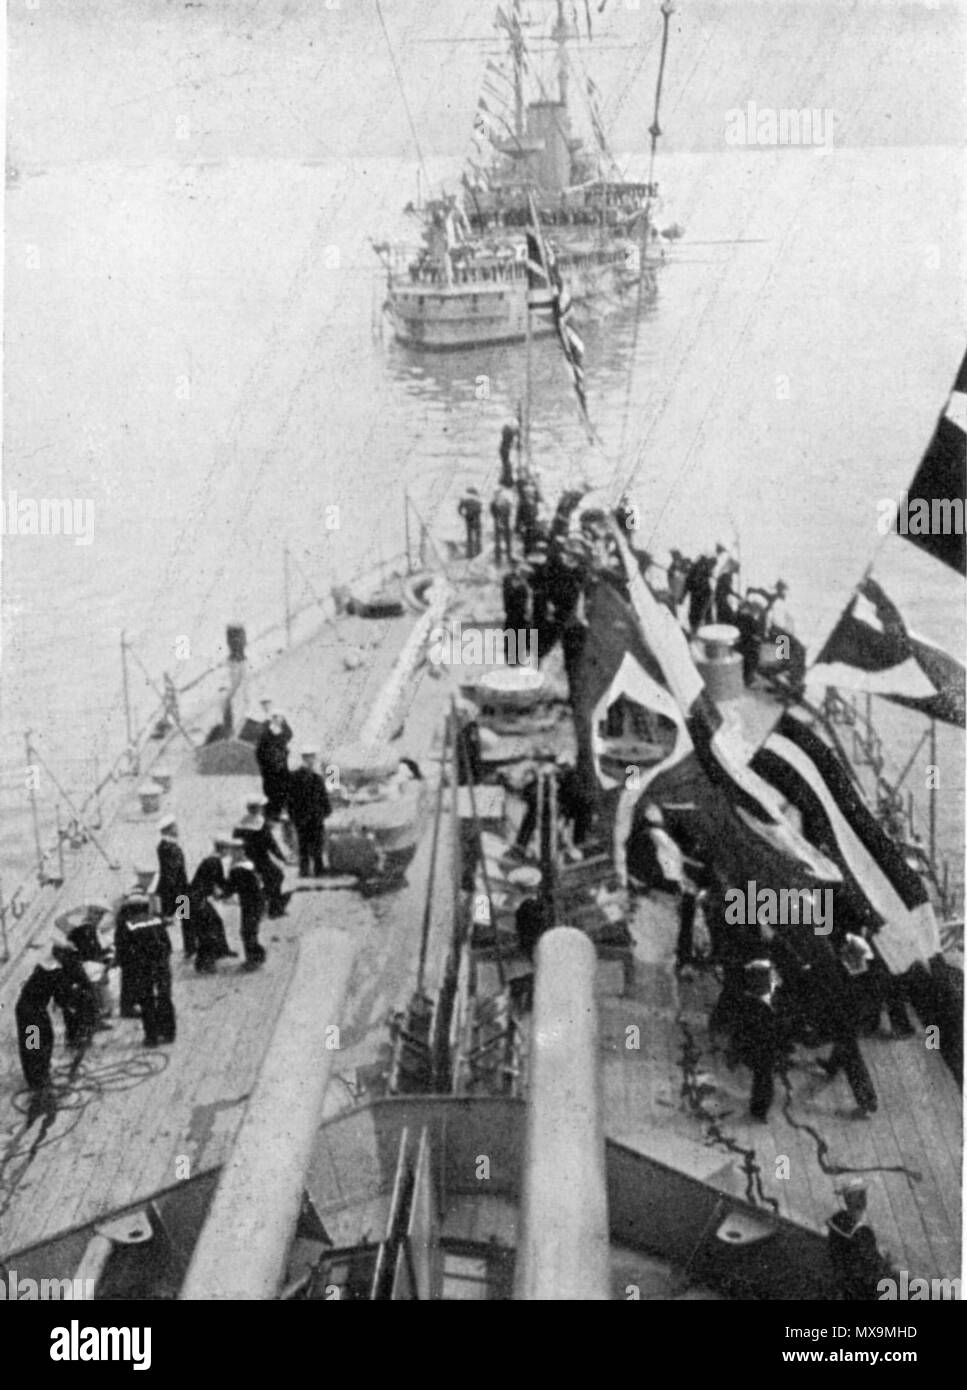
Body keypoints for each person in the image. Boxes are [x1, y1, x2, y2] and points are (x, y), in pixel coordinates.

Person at [731, 959, 790, 1122]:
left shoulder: (751, 1004)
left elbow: (741, 1029)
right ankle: (760, 1108)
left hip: (762, 1048)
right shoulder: (774, 999)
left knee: (762, 1078)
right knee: (764, 1077)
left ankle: (759, 1109)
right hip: (770, 1048)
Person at [116, 893, 176, 1047]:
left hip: (141, 968)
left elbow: (123, 950)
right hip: (161, 965)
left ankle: (152, 1037)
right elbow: (167, 945)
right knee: (164, 996)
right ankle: (168, 1032)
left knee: (147, 1001)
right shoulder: (156, 920)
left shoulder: (127, 924)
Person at [826, 1179, 894, 1299]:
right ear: (862, 1201)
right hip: (858, 1290)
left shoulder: (837, 1219)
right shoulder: (862, 1231)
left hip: (840, 1280)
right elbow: (871, 1264)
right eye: (862, 1195)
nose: (864, 1198)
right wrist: (885, 1260)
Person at [15, 952, 70, 1090]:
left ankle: (41, 1071)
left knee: (45, 1038)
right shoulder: (54, 973)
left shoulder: (45, 966)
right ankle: (36, 1080)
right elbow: (61, 998)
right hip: (30, 1014)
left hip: (35, 1009)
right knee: (33, 1046)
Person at [235, 795, 291, 917]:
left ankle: (265, 902)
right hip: (260, 859)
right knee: (277, 876)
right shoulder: (260, 823)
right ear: (259, 808)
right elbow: (271, 844)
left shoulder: (240, 823)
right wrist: (281, 857)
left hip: (244, 858)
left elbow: (235, 842)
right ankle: (271, 905)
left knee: (271, 878)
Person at [188, 840, 238, 973]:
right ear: (223, 850)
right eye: (228, 849)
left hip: (188, 898)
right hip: (196, 900)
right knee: (207, 929)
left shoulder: (210, 860)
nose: (229, 852)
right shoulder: (215, 862)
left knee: (215, 922)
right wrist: (230, 891)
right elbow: (220, 883)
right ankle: (203, 963)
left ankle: (221, 951)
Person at [288, 747, 332, 878]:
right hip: (313, 816)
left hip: (304, 817)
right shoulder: (315, 777)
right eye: (310, 757)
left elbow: (289, 800)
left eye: (312, 757)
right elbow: (323, 797)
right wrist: (327, 811)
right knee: (314, 843)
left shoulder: (295, 776)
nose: (311, 760)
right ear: (306, 758)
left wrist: (292, 815)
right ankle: (317, 870)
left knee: (306, 843)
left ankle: (305, 870)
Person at [156, 815, 193, 957]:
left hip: (173, 889)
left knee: (181, 918)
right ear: (169, 829)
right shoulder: (170, 848)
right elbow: (173, 871)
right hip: (177, 890)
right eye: (175, 827)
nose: (177, 829)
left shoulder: (165, 845)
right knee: (182, 918)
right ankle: (188, 948)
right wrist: (178, 893)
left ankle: (188, 947)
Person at [226, 840, 267, 970]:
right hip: (256, 902)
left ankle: (254, 959)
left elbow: (230, 888)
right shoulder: (249, 864)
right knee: (250, 930)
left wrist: (219, 893)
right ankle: (256, 956)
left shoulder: (238, 869)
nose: (232, 854)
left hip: (250, 904)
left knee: (247, 931)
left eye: (234, 851)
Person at [255, 710, 293, 821]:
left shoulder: (283, 732)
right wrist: (265, 766)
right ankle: (271, 814)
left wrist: (283, 723)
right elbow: (259, 752)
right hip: (269, 770)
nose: (277, 719)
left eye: (279, 717)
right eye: (275, 717)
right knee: (270, 791)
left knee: (283, 790)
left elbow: (289, 735)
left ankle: (279, 812)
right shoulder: (266, 733)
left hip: (282, 768)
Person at [502, 560, 530, 656]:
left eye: (516, 564)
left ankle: (521, 654)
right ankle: (512, 656)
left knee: (522, 634)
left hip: (521, 611)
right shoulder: (507, 578)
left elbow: (526, 595)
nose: (514, 566)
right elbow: (506, 594)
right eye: (513, 564)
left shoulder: (523, 578)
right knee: (511, 634)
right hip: (512, 611)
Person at [491, 481, 515, 565]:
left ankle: (503, 558)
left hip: (501, 523)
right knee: (502, 541)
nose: (496, 494)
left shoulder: (496, 502)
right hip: (502, 523)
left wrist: (500, 521)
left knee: (503, 541)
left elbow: (494, 513)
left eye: (497, 492)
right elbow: (507, 512)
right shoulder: (500, 502)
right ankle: (502, 558)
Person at [457, 486, 482, 559]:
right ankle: (478, 552)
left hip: (469, 519)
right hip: (476, 519)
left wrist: (463, 515)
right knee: (477, 536)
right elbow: (480, 510)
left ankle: (470, 554)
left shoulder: (464, 500)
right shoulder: (477, 500)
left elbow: (459, 509)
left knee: (470, 537)